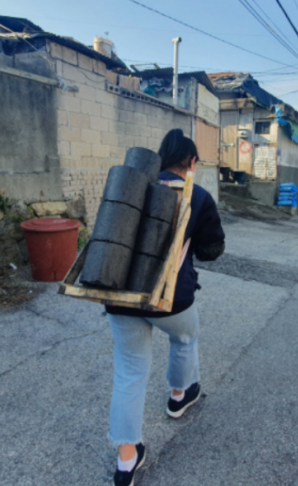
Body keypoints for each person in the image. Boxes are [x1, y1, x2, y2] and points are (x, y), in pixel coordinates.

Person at [105, 129, 225, 486]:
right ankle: (178, 396)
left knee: (129, 371)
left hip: (120, 295)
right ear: (191, 163)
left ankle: (127, 460)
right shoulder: (198, 196)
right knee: (186, 339)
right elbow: (211, 250)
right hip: (171, 298)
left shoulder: (130, 186)